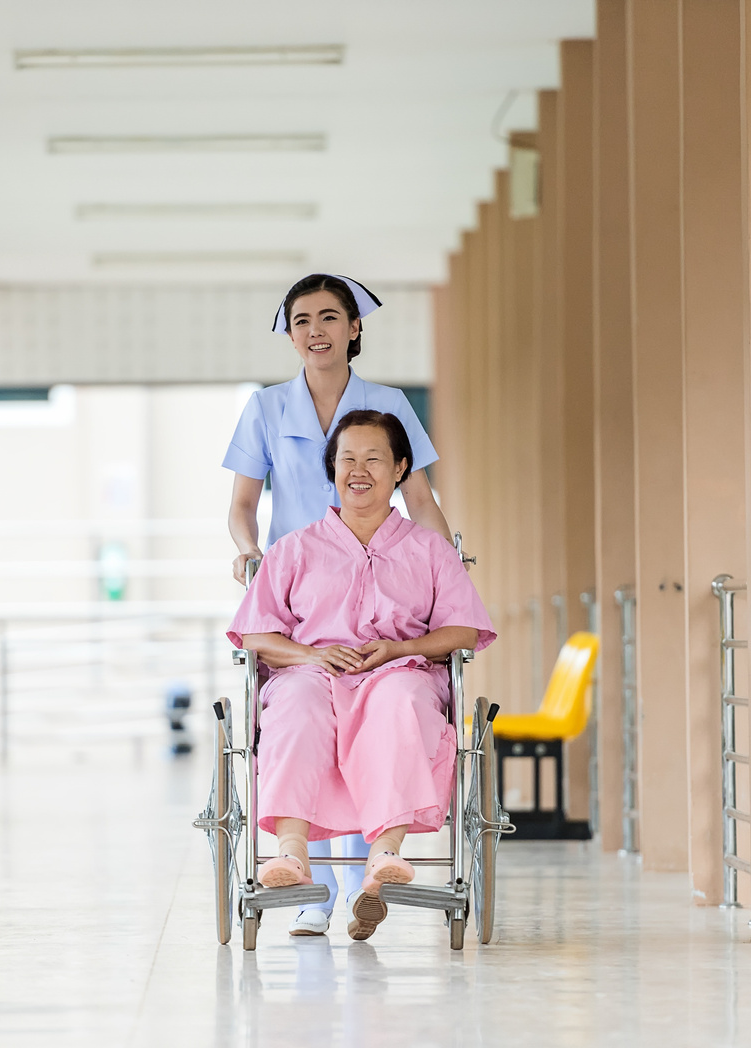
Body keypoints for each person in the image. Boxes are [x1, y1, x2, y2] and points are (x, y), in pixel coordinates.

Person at [223, 273, 454, 937]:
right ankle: (310, 892)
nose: (316, 330)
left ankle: (361, 886)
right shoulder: (266, 409)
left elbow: (420, 497)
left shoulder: (388, 403)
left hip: (380, 584)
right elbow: (243, 508)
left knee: (376, 707)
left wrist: (442, 569)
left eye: (330, 317)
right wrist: (248, 554)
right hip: (302, 592)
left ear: (355, 328)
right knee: (308, 711)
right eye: (302, 320)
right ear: (289, 332)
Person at [227, 410, 495, 941]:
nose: (359, 469)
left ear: (400, 469)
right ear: (332, 470)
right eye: (347, 458)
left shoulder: (430, 550)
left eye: (374, 458)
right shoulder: (295, 549)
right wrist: (309, 656)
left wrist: (403, 646)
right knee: (296, 703)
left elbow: (463, 631)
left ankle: (385, 855)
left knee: (400, 699)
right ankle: (292, 854)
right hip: (311, 670)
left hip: (398, 668)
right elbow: (255, 635)